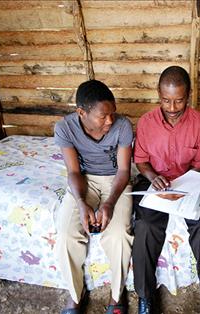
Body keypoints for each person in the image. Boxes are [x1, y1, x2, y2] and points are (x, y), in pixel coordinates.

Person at [132, 66, 200, 314]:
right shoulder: (147, 123)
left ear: (189, 95)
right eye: (165, 100)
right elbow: (140, 160)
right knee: (146, 226)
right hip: (154, 183)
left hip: (189, 182)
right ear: (158, 94)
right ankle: (145, 297)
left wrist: (185, 188)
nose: (172, 108)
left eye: (179, 101)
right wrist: (153, 177)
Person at [54, 80, 133, 314]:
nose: (110, 121)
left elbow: (124, 171)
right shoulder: (65, 128)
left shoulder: (123, 126)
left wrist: (109, 202)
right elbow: (74, 172)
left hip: (115, 181)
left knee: (119, 234)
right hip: (84, 180)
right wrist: (80, 203)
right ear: (81, 112)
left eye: (113, 113)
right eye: (103, 116)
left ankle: (116, 295)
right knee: (66, 235)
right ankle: (75, 294)